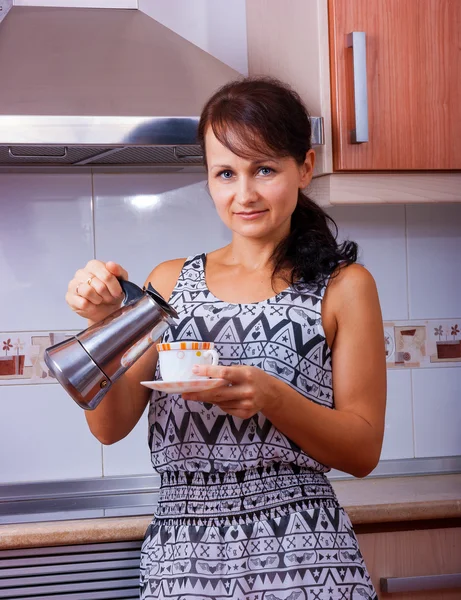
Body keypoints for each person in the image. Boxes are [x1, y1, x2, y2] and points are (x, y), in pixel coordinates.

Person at [66, 77, 386, 600]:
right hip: (183, 560)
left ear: (304, 167)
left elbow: (363, 450)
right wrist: (101, 325)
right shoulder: (170, 282)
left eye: (264, 169)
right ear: (209, 180)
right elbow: (110, 425)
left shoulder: (345, 287)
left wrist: (272, 397)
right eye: (225, 173)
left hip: (307, 561)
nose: (245, 194)